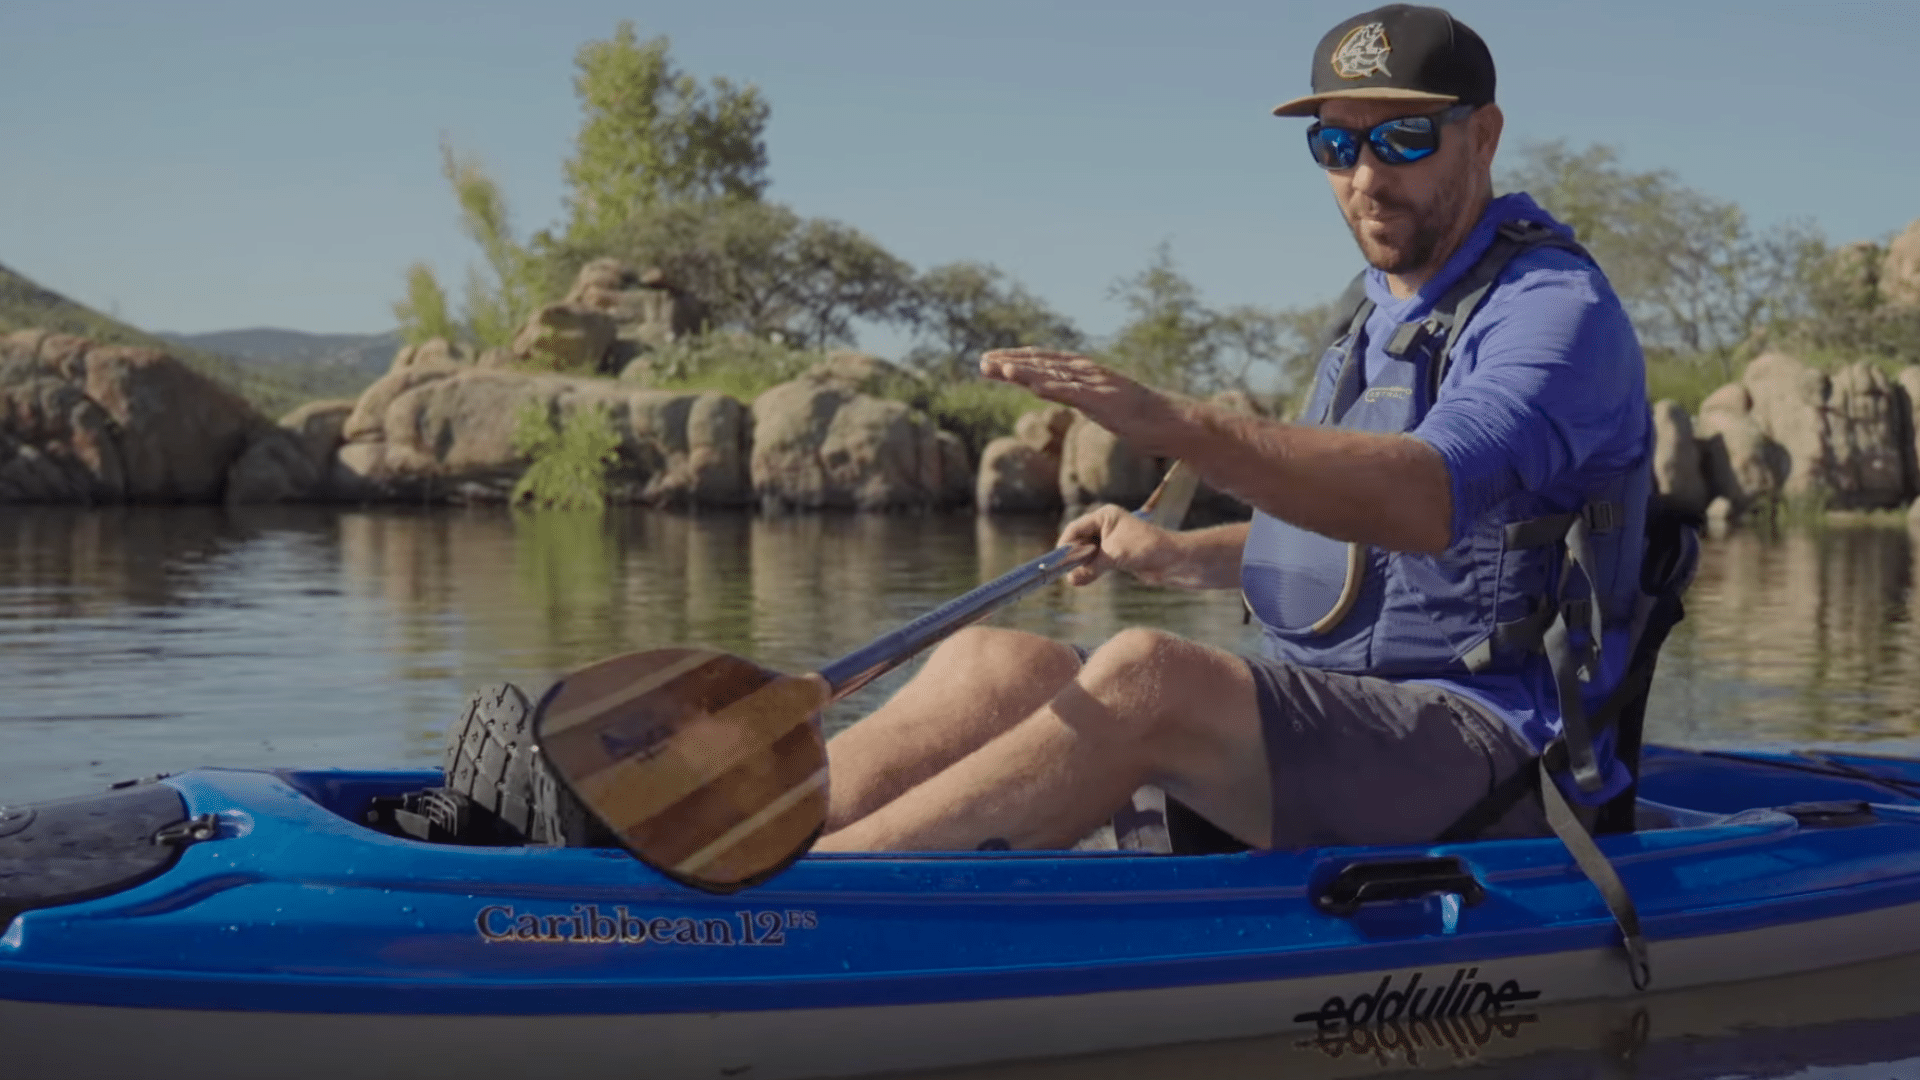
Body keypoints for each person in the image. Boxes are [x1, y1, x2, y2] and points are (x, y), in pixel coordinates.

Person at [815, 3, 1653, 856]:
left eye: (1402, 138)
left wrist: (1175, 425)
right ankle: (733, 864)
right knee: (991, 663)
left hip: (1499, 749)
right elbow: (1350, 542)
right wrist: (1173, 556)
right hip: (1331, 717)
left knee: (1153, 678)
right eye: (1335, 146)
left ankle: (797, 913)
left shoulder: (1554, 312)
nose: (1365, 176)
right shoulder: (1364, 322)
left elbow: (1426, 496)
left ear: (1482, 137)